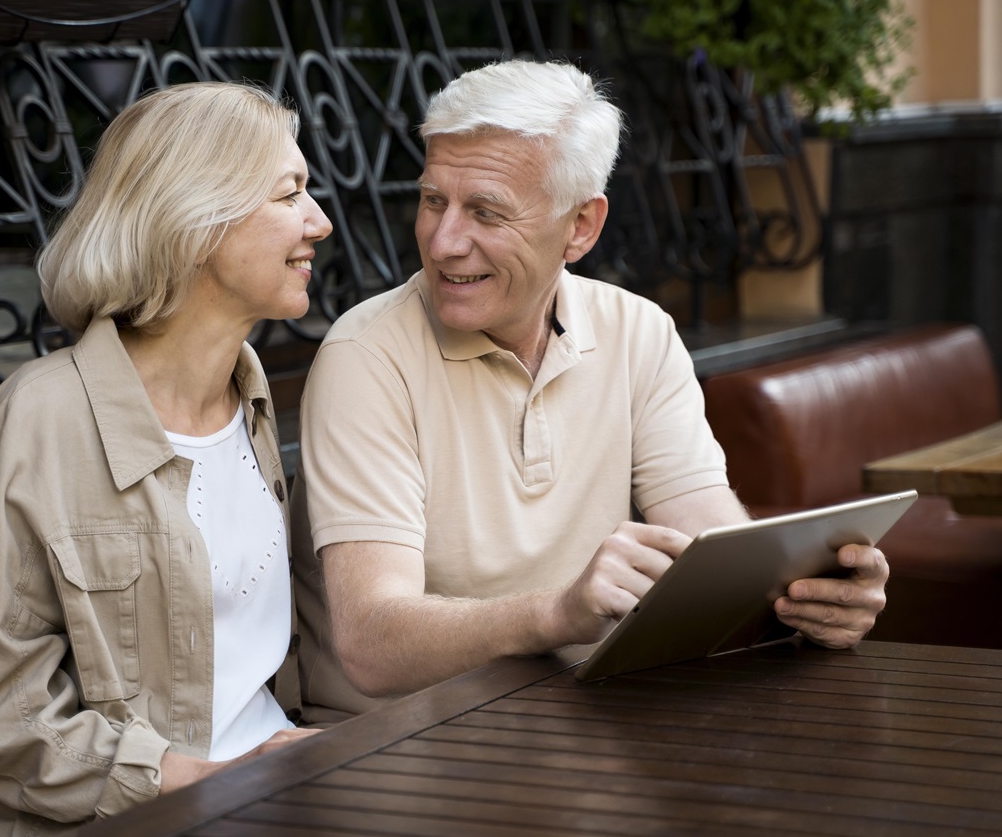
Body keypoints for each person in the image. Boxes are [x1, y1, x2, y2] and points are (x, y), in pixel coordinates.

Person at [289, 59, 889, 724]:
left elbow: (705, 531)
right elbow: (372, 645)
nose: (443, 240)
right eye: (434, 199)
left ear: (581, 226)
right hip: (392, 749)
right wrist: (557, 612)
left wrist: (807, 596)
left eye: (486, 211)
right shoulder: (365, 355)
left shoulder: (638, 331)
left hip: (583, 722)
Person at [0, 81, 332, 837]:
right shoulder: (38, 421)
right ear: (195, 219)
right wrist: (212, 782)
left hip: (274, 798)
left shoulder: (249, 399)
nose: (321, 221)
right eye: (291, 194)